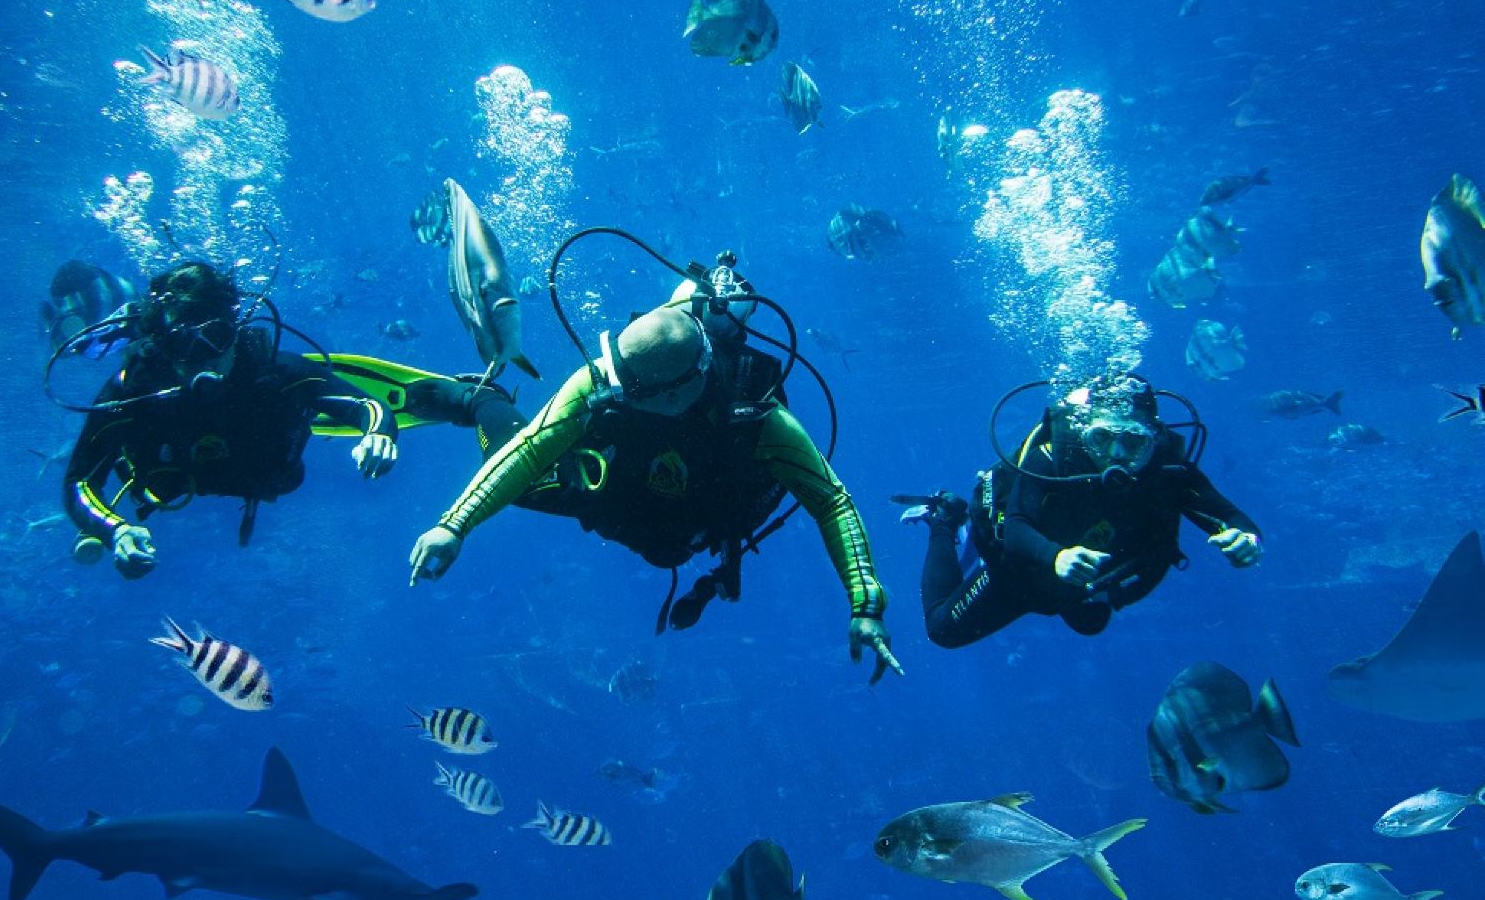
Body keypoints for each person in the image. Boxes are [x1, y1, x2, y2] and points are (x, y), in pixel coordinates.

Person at [408, 288, 899, 683]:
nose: (614, 392)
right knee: (507, 461)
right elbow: (531, 447)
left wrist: (866, 605)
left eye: (632, 391)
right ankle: (480, 400)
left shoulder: (761, 421)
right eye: (617, 379)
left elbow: (830, 499)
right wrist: (454, 526)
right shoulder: (601, 378)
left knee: (667, 545)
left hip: (687, 519)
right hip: (611, 493)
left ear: (684, 388)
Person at [62, 261, 505, 578]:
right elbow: (81, 481)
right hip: (162, 491)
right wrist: (115, 529)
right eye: (184, 346)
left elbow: (368, 405)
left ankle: (460, 400)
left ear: (234, 330)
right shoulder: (132, 390)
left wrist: (378, 434)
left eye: (214, 338)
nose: (204, 361)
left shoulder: (277, 374)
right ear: (161, 346)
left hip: (265, 474)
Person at [904, 375, 1261, 649]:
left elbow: (1232, 517)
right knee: (942, 631)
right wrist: (1056, 557)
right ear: (1083, 432)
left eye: (1134, 442)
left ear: (1153, 439)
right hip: (1020, 569)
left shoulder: (1166, 473)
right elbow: (1016, 526)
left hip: (1082, 581)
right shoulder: (1053, 455)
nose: (1117, 455)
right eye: (1103, 438)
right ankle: (946, 517)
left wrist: (1245, 538)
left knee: (1090, 623)